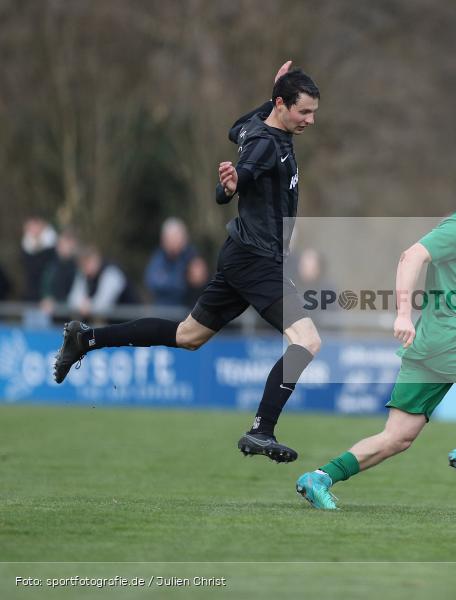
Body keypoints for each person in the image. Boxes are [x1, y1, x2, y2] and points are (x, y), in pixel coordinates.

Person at [53, 61, 321, 464]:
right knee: (307, 340)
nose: (311, 120)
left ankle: (85, 339)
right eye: (304, 111)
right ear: (282, 106)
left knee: (187, 336)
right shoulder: (267, 143)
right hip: (256, 260)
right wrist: (233, 184)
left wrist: (268, 101)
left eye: (314, 112)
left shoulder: (258, 127)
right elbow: (244, 173)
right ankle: (262, 430)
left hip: (242, 255)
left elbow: (236, 130)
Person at [294, 155, 456, 510]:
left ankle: (319, 478)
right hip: (449, 338)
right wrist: (402, 314)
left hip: (429, 344)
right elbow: (411, 257)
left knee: (396, 437)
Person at [67, 245, 138, 318]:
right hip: (115, 323)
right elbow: (73, 300)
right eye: (83, 264)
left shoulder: (112, 272)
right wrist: (82, 305)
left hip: (131, 320)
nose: (86, 267)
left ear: (96, 258)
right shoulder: (84, 274)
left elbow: (104, 305)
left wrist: (89, 306)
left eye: (88, 262)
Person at [144, 217, 196, 306]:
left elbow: (200, 282)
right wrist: (182, 281)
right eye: (170, 238)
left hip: (188, 312)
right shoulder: (158, 258)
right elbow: (152, 282)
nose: (174, 242)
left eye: (177, 238)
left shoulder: (193, 258)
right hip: (163, 313)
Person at [21, 217, 57, 302]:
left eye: (35, 227)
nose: (34, 230)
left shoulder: (51, 248)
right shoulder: (25, 248)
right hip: (31, 293)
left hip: (48, 294)